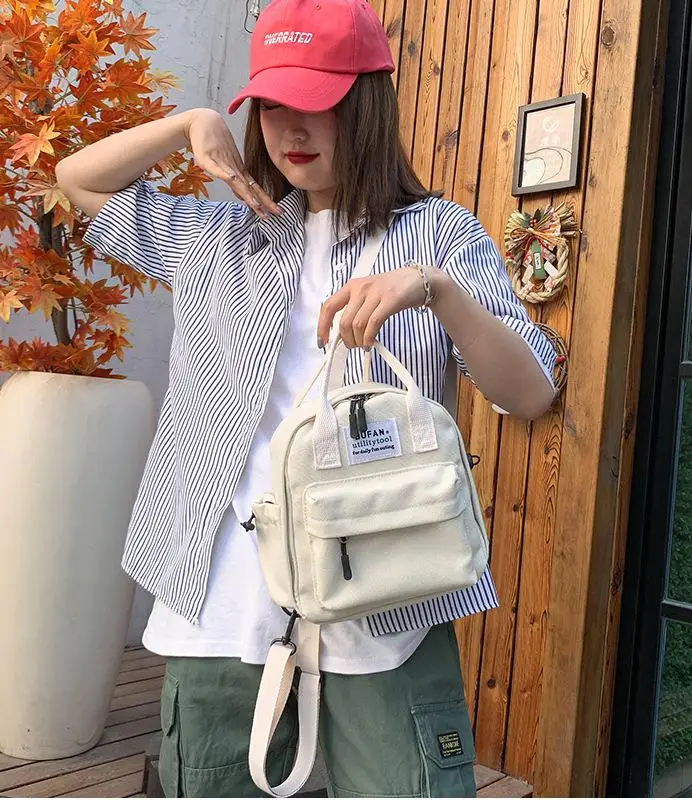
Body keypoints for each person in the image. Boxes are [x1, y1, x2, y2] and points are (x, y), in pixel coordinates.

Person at [56, 0, 556, 796]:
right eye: (272, 104)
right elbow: (75, 179)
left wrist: (436, 292)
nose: (291, 127)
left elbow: (529, 392)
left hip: (386, 599)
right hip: (222, 597)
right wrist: (188, 123)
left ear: (367, 104)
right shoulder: (217, 238)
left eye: (317, 102)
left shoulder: (440, 235)